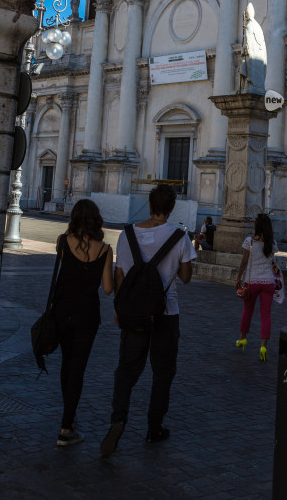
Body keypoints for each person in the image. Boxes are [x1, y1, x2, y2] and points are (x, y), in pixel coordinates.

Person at [101, 184, 197, 456]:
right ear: (171, 208)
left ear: (150, 204)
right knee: (163, 372)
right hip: (166, 314)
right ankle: (154, 427)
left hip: (133, 313)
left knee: (127, 370)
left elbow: (120, 276)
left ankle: (118, 418)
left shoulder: (127, 233)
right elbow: (187, 277)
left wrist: (120, 308)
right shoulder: (179, 237)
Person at [52, 198, 114, 446]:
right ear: (96, 220)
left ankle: (69, 414)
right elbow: (108, 289)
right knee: (78, 368)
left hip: (62, 311)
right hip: (87, 315)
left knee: (67, 365)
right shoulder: (105, 250)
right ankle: (67, 428)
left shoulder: (62, 242)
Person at [235, 213, 278, 362]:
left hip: (251, 281)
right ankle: (263, 346)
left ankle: (243, 338)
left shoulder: (250, 242)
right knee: (266, 314)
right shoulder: (272, 243)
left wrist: (238, 277)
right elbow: (273, 262)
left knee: (247, 311)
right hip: (268, 282)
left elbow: (244, 262)